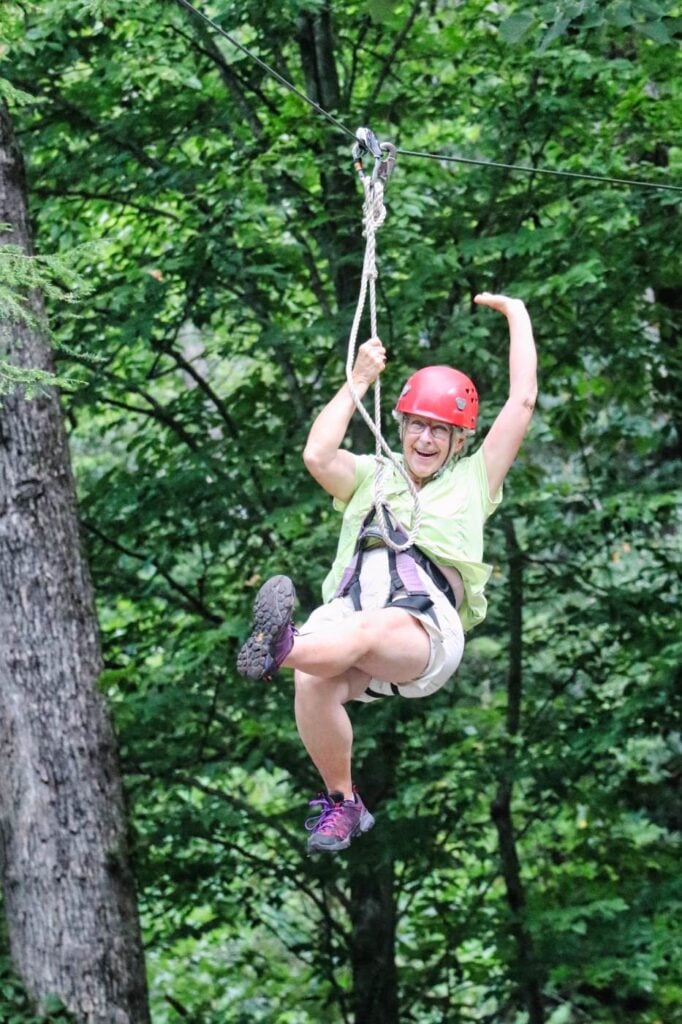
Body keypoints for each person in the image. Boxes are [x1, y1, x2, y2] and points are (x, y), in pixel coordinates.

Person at [237, 293, 537, 853]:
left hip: (423, 629)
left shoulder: (474, 481)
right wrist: (357, 381)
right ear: (400, 426)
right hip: (351, 611)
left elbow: (521, 401)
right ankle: (343, 803)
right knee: (312, 682)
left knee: (364, 630)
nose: (425, 440)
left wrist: (516, 313)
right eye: (417, 426)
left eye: (440, 431)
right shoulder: (373, 473)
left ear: (460, 440)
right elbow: (317, 456)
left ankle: (283, 645)